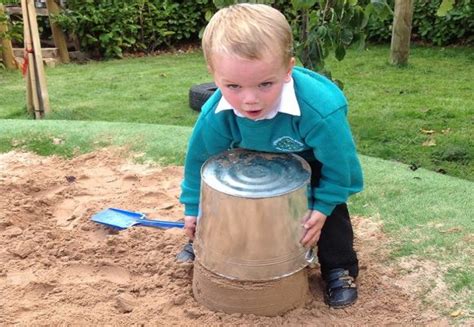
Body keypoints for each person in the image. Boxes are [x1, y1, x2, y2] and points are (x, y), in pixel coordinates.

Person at [177, 3, 363, 309]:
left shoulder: (320, 111)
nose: (249, 100)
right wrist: (194, 208)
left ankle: (339, 267)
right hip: (249, 157)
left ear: (288, 69)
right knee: (226, 196)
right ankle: (202, 244)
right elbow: (199, 160)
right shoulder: (217, 113)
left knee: (326, 218)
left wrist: (324, 205)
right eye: (233, 86)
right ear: (214, 75)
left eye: (265, 84)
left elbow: (340, 166)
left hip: (310, 160)